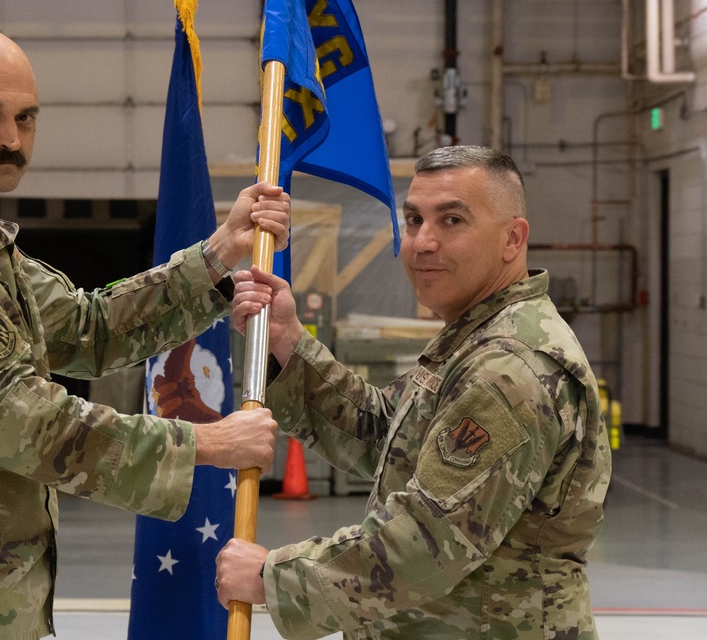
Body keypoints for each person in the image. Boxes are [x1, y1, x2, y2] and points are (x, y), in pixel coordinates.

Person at [0, 27, 289, 640]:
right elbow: (22, 421)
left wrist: (218, 254)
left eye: (24, 118)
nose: (9, 139)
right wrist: (206, 443)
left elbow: (88, 330)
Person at [215, 145, 612, 640]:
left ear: (513, 238)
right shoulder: (476, 336)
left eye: (452, 221)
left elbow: (425, 545)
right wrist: (287, 341)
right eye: (414, 219)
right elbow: (386, 436)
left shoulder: (509, 367)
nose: (423, 242)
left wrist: (270, 577)